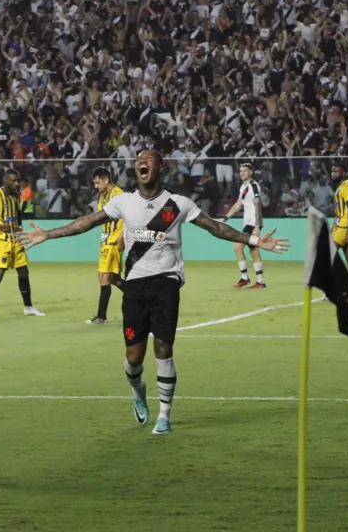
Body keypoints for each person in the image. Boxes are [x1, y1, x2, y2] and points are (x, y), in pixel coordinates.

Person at [18, 150, 289, 435]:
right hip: (135, 284)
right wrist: (49, 234)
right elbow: (87, 221)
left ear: (159, 167)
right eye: (138, 160)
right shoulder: (124, 202)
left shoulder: (177, 204)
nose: (141, 162)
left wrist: (255, 239)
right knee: (134, 357)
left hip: (166, 283)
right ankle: (138, 390)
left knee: (163, 348)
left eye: (147, 159)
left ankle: (165, 415)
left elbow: (215, 227)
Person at [0, 168, 45, 319]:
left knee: (23, 271)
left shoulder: (16, 196)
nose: (17, 184)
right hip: (2, 240)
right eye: (14, 181)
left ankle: (28, 307)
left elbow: (17, 213)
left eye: (18, 181)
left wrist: (19, 225)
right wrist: (0, 227)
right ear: (6, 181)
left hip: (16, 238)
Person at [219, 163, 266, 288]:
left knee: (238, 247)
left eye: (245, 171)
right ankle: (260, 281)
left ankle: (245, 278)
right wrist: (225, 218)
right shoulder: (243, 187)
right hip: (249, 222)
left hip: (252, 223)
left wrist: (257, 225)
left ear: (251, 172)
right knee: (253, 250)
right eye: (241, 171)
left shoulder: (254, 186)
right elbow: (237, 205)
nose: (242, 173)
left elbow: (258, 205)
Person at [88, 166, 125, 324]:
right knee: (113, 279)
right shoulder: (103, 196)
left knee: (104, 277)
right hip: (105, 239)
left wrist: (122, 237)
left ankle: (101, 316)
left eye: (97, 183)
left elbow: (129, 218)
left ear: (106, 180)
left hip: (114, 239)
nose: (96, 186)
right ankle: (141, 296)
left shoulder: (120, 195)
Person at [330, 162, 348, 286]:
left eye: (336, 171)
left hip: (344, 226)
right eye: (332, 171)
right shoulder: (340, 186)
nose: (333, 174)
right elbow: (340, 209)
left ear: (344, 173)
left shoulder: (346, 185)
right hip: (342, 224)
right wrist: (334, 222)